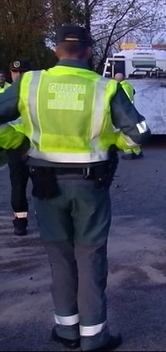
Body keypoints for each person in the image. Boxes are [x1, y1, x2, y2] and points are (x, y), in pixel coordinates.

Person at [0, 24, 151, 351]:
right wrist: (114, 143)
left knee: (60, 257)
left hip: (44, 184)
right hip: (89, 185)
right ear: (88, 51)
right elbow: (139, 131)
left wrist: (19, 142)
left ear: (56, 50)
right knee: (90, 256)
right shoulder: (106, 88)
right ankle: (94, 336)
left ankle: (66, 331)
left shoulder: (30, 82)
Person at [5, 60, 32, 235]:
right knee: (18, 185)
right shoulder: (7, 95)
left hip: (37, 145)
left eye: (22, 72)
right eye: (15, 72)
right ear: (11, 74)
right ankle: (20, 221)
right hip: (16, 146)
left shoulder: (36, 93)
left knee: (44, 185)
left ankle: (50, 221)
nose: (18, 75)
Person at [113, 73, 143, 160]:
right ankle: (137, 151)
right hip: (130, 111)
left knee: (123, 133)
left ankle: (128, 153)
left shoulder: (119, 88)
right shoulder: (128, 85)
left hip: (123, 112)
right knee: (132, 132)